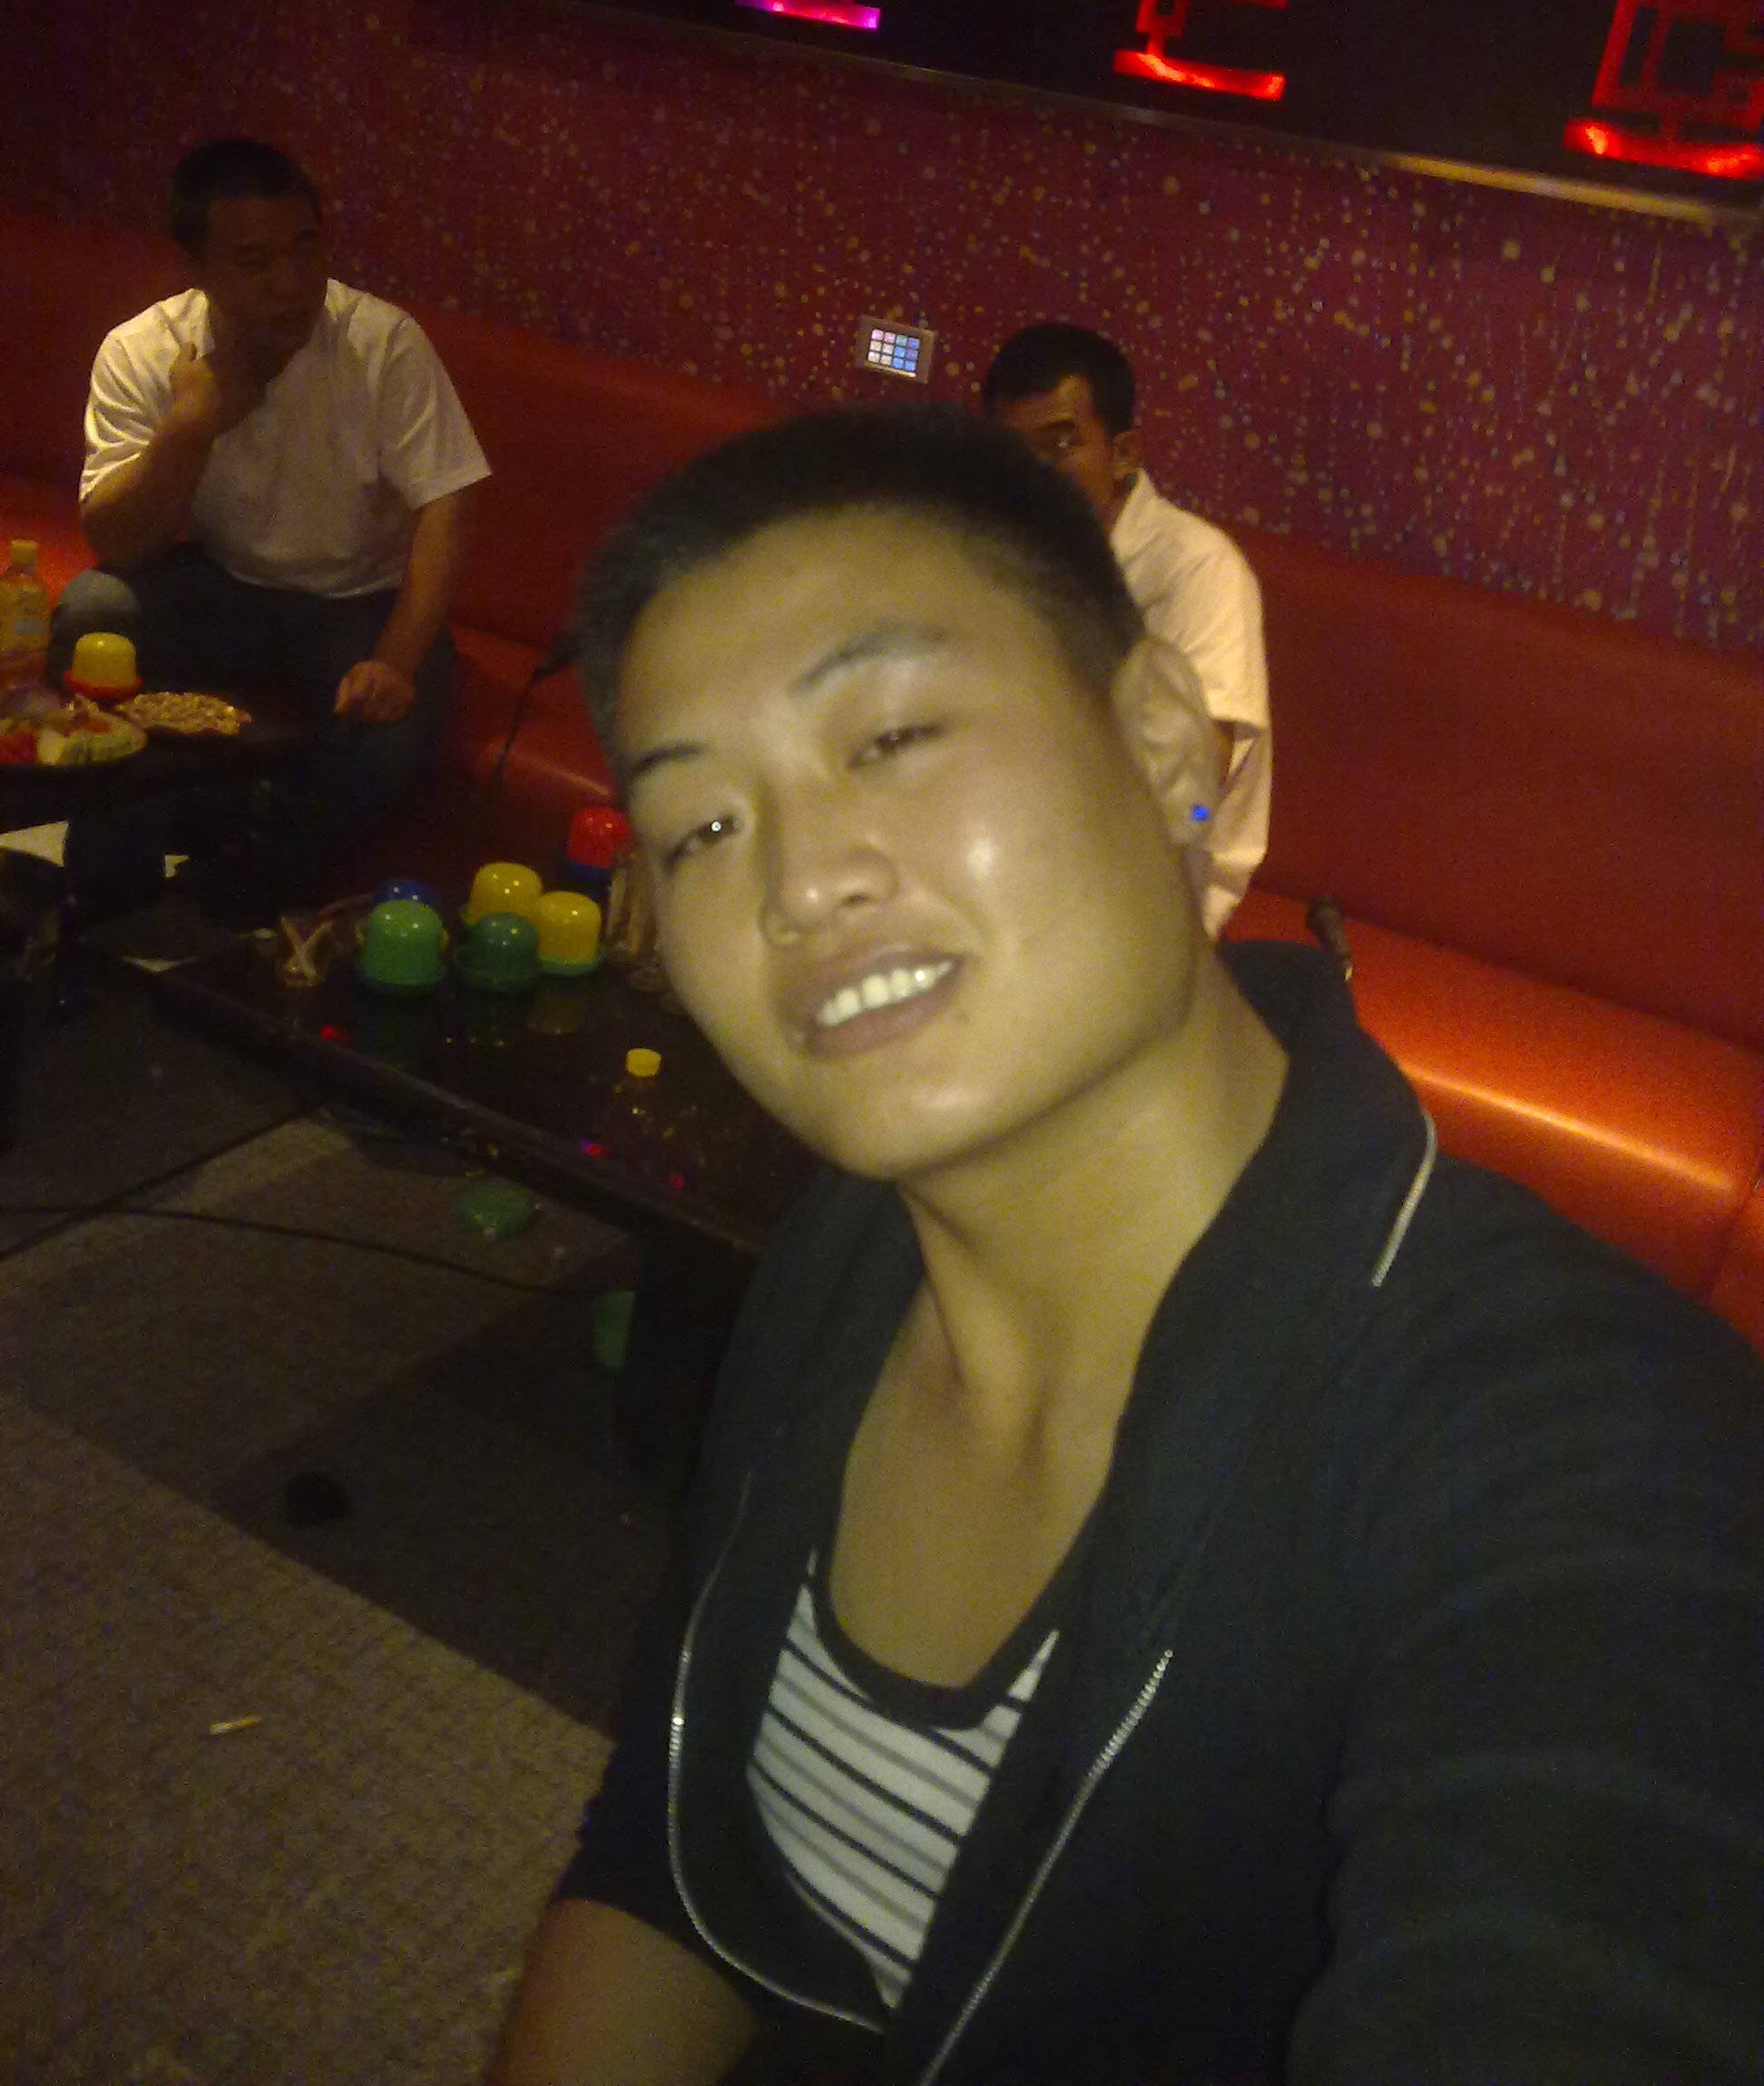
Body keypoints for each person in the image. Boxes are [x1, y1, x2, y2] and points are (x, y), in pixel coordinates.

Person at [489, 408, 1763, 2086]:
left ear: (1164, 737)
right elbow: (675, 1853)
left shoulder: (1595, 1444)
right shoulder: (846, 1255)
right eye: (702, 829)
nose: (795, 883)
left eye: (891, 736)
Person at [52, 137, 489, 909]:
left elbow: (448, 507)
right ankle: (113, 878)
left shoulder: (381, 343)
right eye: (255, 262)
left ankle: (243, 886)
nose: (291, 284)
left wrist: (394, 662)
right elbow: (118, 544)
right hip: (222, 584)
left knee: (390, 737)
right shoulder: (144, 351)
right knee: (93, 613)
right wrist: (190, 428)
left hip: (357, 600)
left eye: (305, 249)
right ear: (196, 267)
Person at [983, 322, 1268, 935]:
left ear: (1123, 453)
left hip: (1146, 899)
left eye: (1061, 445)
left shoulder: (1196, 569)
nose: (1032, 475)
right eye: (1010, 453)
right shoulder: (999, 557)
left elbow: (1193, 788)